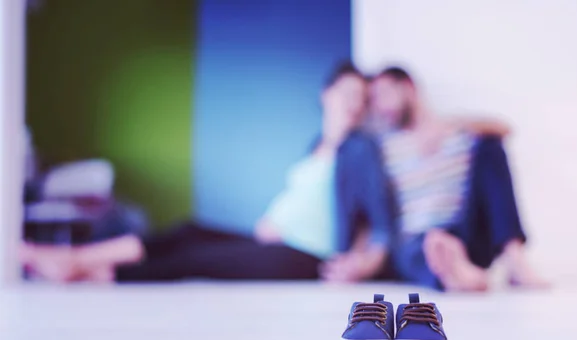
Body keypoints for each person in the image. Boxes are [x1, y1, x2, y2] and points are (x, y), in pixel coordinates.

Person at [20, 63, 393, 283]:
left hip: (306, 256)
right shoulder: (316, 147)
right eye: (347, 94)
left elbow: (378, 221)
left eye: (361, 100)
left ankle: (91, 272)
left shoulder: (360, 149)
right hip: (274, 241)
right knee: (190, 230)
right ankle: (81, 258)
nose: (354, 106)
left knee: (197, 259)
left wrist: (360, 266)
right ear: (325, 94)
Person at [366, 66, 548, 291]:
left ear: (408, 88)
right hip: (419, 236)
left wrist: (448, 126)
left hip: (464, 232)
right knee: (415, 251)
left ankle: (514, 259)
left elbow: (505, 128)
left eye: (383, 95)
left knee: (491, 146)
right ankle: (452, 273)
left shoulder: (459, 132)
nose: (380, 107)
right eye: (373, 101)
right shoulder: (385, 146)